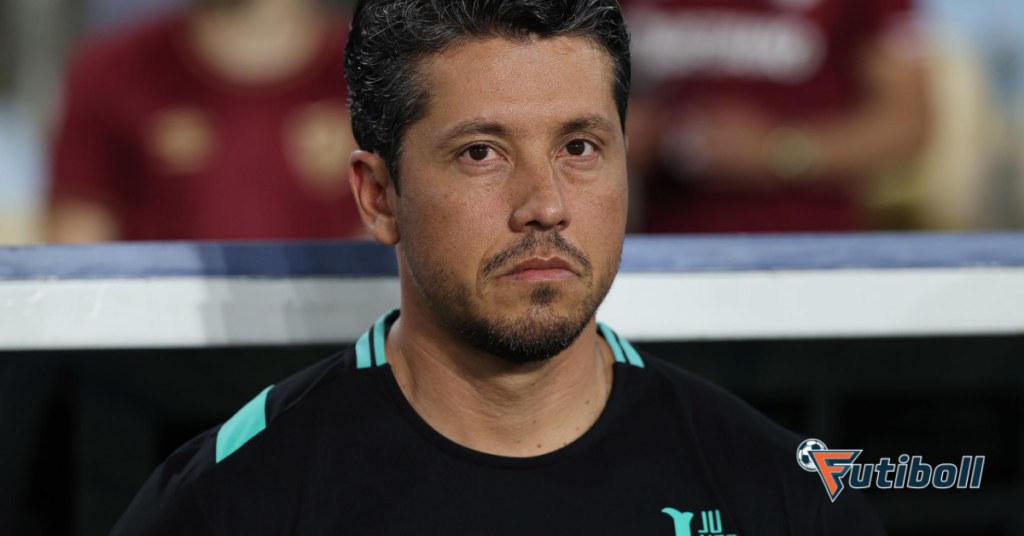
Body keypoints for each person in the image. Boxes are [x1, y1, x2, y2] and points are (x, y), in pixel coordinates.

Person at [112, 0, 886, 534]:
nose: (545, 205)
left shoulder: (784, 495)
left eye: (579, 148)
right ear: (379, 197)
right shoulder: (229, 501)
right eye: (481, 153)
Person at [48, 0, 363, 242]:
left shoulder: (377, 74)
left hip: (344, 310)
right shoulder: (113, 72)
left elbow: (386, 256)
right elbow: (77, 267)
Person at [620, 0, 929, 233]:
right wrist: (624, 132)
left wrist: (777, 149)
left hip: (812, 250)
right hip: (663, 249)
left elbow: (906, 124)